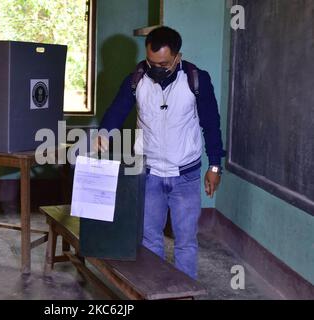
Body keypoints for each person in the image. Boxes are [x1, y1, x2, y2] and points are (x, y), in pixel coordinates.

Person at [95, 26, 226, 280]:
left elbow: (211, 125)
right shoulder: (136, 79)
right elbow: (116, 111)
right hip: (149, 173)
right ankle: (151, 290)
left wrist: (215, 167)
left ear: (177, 57)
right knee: (149, 238)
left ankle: (184, 294)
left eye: (163, 63)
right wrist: (104, 133)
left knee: (185, 241)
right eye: (151, 62)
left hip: (186, 176)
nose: (156, 68)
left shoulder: (196, 80)